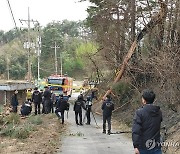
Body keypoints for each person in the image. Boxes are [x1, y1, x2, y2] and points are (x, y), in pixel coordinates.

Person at [132, 89, 162, 154]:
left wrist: (136, 146)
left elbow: (136, 131)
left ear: (144, 100)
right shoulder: (159, 112)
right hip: (156, 146)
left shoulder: (140, 112)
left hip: (143, 147)